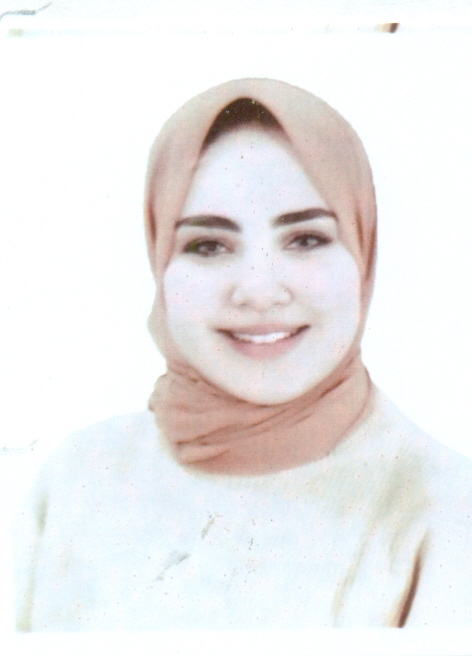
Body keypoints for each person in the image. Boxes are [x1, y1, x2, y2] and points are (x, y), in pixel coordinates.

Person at [15, 78, 472, 631]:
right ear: (159, 259)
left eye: (305, 239)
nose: (258, 291)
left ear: (363, 247)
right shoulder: (77, 478)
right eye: (208, 245)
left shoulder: (442, 509)